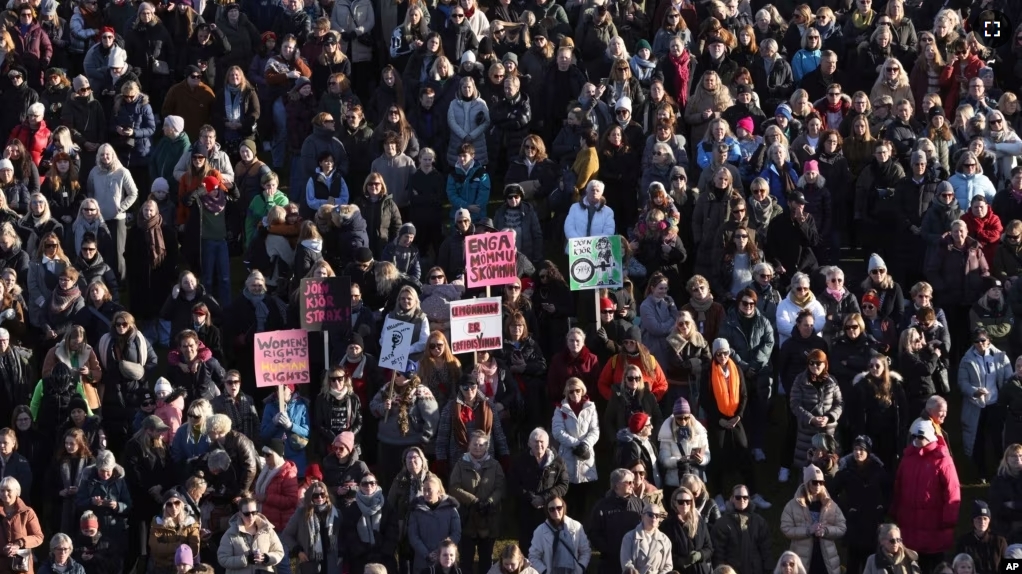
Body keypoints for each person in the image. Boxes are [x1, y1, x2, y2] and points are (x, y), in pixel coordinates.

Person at [702, 338, 765, 509]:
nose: (723, 356)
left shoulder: (736, 368)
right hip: (718, 421)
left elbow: (743, 394)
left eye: (726, 353)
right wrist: (719, 419)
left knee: (745, 452)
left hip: (736, 419)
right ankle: (718, 495)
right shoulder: (708, 372)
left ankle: (754, 493)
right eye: (719, 353)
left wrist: (738, 416)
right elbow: (705, 400)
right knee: (718, 456)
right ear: (714, 354)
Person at [892, 418, 961, 574]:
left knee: (936, 566)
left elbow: (952, 491)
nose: (917, 440)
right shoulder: (907, 458)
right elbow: (899, 486)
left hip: (935, 525)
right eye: (915, 436)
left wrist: (949, 519)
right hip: (910, 524)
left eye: (921, 436)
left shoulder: (942, 459)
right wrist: (896, 512)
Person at [829, 436, 890, 574]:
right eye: (855, 449)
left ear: (868, 451)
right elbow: (831, 492)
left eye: (861, 449)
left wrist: (882, 508)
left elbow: (888, 490)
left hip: (873, 521)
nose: (858, 452)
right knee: (853, 563)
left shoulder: (878, 470)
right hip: (854, 521)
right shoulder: (846, 470)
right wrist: (844, 510)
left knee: (873, 562)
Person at [448, 430, 505, 574]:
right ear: (469, 445)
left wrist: (490, 502)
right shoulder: (460, 465)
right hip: (467, 518)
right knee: (466, 560)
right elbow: (454, 487)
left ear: (487, 446)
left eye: (481, 445)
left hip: (489, 518)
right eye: (475, 444)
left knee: (486, 560)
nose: (478, 447)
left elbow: (501, 487)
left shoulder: (495, 465)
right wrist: (473, 501)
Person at [959, 327, 1012, 480]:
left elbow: (1008, 378)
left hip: (995, 405)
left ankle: (1001, 470)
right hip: (977, 406)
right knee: (978, 439)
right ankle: (981, 472)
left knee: (997, 439)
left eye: (983, 340)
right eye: (977, 341)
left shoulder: (1001, 357)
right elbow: (962, 382)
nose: (980, 344)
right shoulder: (966, 359)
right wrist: (974, 391)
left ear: (989, 341)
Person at [779, 464, 846, 574]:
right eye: (815, 482)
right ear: (807, 482)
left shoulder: (830, 504)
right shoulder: (792, 505)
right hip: (802, 558)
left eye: (821, 482)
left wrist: (826, 531)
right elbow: (786, 528)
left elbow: (842, 527)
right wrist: (808, 530)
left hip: (826, 558)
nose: (818, 485)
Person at [552, 377, 599, 513]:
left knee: (585, 501)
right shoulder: (560, 409)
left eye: (577, 390)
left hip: (586, 457)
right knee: (568, 499)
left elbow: (595, 430)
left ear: (582, 390)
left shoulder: (590, 407)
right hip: (568, 456)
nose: (575, 394)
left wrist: (585, 444)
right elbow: (557, 431)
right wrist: (576, 444)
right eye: (571, 391)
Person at [588, 468, 643, 574]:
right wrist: (608, 550)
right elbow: (594, 532)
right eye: (629, 482)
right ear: (617, 485)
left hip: (635, 561)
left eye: (633, 482)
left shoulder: (639, 503)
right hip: (611, 563)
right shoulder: (602, 506)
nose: (633, 485)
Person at [710, 484, 772, 574]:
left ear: (749, 499)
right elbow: (718, 553)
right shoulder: (722, 523)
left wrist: (769, 570)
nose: (742, 500)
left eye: (745, 497)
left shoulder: (759, 521)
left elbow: (766, 549)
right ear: (732, 499)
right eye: (738, 497)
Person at [216, 497, 285, 574]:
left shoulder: (268, 530)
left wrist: (266, 558)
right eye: (247, 514)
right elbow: (223, 559)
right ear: (240, 514)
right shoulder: (231, 533)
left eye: (254, 512)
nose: (251, 516)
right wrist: (246, 560)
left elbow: (279, 552)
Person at [408, 474, 461, 574]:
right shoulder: (416, 510)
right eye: (424, 490)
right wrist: (427, 554)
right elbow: (413, 536)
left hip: (445, 562)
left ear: (438, 491)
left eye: (429, 490)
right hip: (422, 561)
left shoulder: (451, 509)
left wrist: (440, 552)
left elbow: (456, 533)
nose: (426, 493)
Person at [661, 487, 712, 574]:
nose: (684, 504)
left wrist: (700, 555)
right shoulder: (667, 525)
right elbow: (663, 552)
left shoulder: (700, 522)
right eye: (681, 502)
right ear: (675, 503)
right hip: (679, 570)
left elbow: (709, 548)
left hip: (700, 570)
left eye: (688, 502)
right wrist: (681, 561)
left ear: (691, 503)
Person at [147, 491, 200, 574]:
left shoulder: (191, 522)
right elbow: (155, 548)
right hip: (162, 568)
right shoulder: (158, 522)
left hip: (183, 569)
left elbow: (194, 549)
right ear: (165, 507)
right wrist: (177, 547)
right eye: (169, 504)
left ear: (182, 504)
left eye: (177, 503)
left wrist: (169, 550)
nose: (174, 507)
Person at [0, 476, 43, 574]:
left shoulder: (27, 512)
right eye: (2, 490)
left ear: (17, 492)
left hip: (21, 566)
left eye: (8, 490)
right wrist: (3, 549)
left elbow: (38, 537)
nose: (5, 494)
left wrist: (19, 544)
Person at [620, 502, 673, 574]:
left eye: (657, 515)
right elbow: (626, 563)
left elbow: (668, 566)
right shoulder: (629, 537)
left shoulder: (665, 540)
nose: (654, 518)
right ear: (642, 516)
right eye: (650, 515)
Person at [955, 500, 1006, 574]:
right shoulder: (964, 542)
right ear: (973, 520)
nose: (982, 522)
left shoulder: (999, 541)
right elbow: (958, 566)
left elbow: (1008, 566)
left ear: (989, 520)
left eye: (985, 518)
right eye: (979, 518)